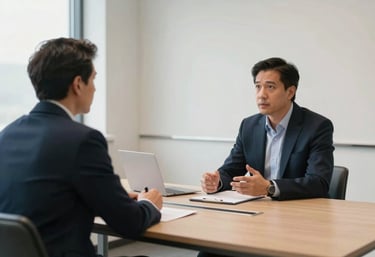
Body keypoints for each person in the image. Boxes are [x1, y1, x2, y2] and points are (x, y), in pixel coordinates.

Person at [0, 38, 163, 257]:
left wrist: (111, 196)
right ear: (78, 84)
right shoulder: (83, 140)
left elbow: (43, 198)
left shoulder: (7, 134)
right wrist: (149, 205)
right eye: (93, 79)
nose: (95, 88)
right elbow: (129, 223)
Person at [198, 57, 334, 257]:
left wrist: (270, 187)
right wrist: (217, 181)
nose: (261, 95)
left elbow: (319, 183)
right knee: (209, 251)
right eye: (257, 87)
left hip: (299, 221)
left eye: (270, 87)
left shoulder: (316, 126)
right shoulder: (249, 126)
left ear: (290, 91)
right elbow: (232, 170)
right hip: (257, 217)